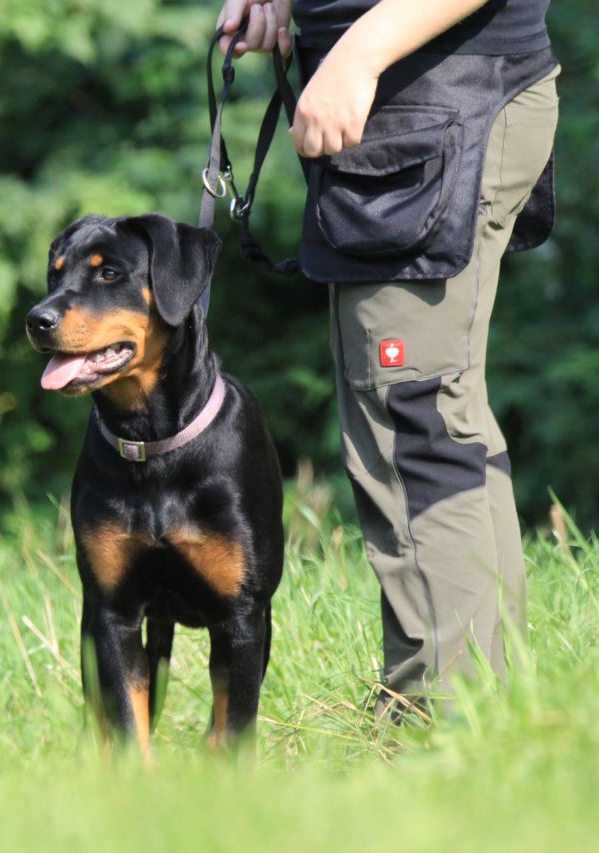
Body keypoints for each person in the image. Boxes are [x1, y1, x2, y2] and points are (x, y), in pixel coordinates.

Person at [214, 0, 558, 718]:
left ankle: (437, 721)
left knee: (415, 423)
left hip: (437, 102)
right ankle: (491, 709)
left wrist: (358, 53)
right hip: (435, 107)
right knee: (439, 411)